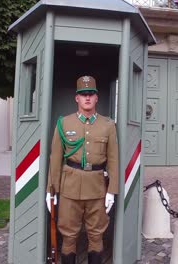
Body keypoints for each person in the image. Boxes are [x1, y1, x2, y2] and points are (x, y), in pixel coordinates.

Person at [46, 75, 119, 264]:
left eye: (91, 94)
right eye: (83, 94)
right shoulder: (64, 123)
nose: (87, 98)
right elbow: (55, 158)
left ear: (97, 98)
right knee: (69, 236)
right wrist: (51, 190)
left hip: (97, 189)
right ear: (76, 98)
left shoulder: (108, 125)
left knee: (96, 235)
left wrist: (112, 190)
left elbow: (113, 159)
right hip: (69, 188)